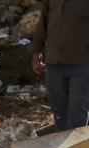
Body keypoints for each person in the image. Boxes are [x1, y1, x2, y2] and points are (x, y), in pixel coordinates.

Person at [33, 0, 89, 131]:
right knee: (59, 113)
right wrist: (36, 51)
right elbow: (43, 23)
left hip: (82, 64)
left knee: (77, 114)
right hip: (54, 63)